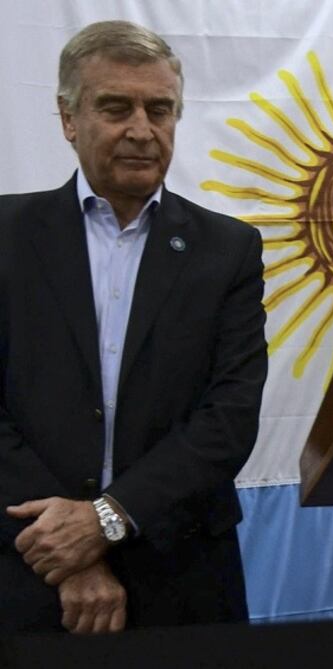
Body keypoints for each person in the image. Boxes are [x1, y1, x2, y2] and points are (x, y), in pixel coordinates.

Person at [0, 20, 267, 634]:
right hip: (28, 565)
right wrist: (65, 548)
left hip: (183, 573)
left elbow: (229, 416)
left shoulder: (228, 250)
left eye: (160, 110)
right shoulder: (8, 237)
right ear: (68, 118)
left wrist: (106, 520)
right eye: (116, 108)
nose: (142, 130)